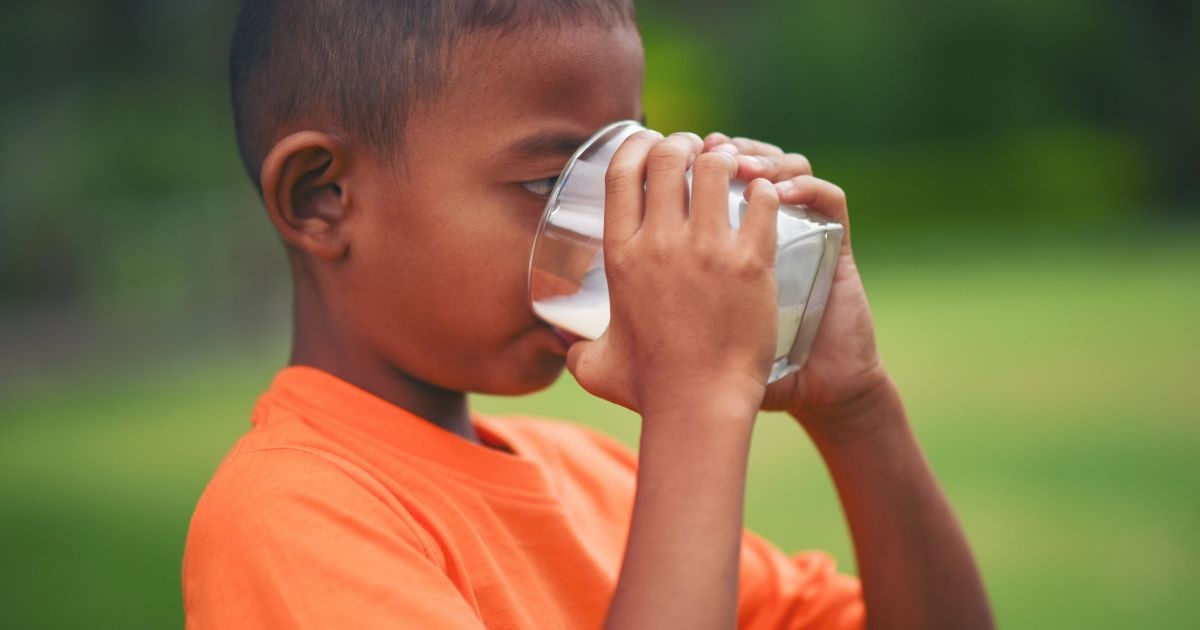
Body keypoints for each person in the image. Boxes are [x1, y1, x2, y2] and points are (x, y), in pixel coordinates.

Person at [183, 1, 994, 628]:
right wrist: (699, 398)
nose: (608, 232)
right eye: (546, 185)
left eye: (613, 166)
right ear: (322, 197)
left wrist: (858, 410)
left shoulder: (597, 481)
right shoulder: (289, 513)